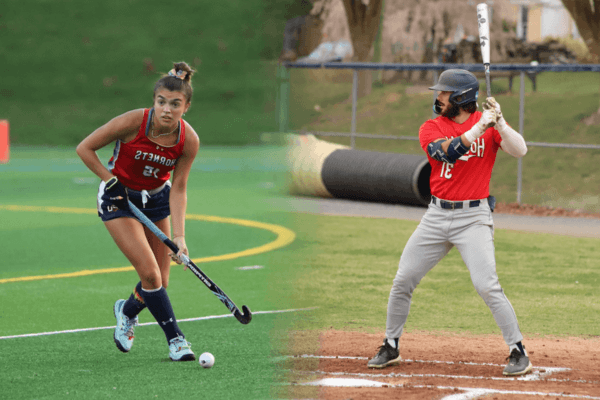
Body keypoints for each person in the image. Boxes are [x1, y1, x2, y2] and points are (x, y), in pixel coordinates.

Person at [367, 69, 532, 376]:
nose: (438, 97)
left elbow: (520, 150)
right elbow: (446, 154)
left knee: (487, 285)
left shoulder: (488, 125)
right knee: (403, 279)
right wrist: (478, 127)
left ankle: (518, 350)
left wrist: (500, 122)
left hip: (474, 218)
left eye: (444, 94)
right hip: (436, 216)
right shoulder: (431, 127)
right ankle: (391, 345)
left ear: (461, 98)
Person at [76, 62, 200, 361]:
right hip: (118, 199)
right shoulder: (133, 122)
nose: (166, 110)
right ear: (154, 101)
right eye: (161, 102)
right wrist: (111, 182)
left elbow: (179, 187)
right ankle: (177, 340)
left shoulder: (188, 140)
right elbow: (85, 148)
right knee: (149, 273)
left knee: (160, 281)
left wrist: (180, 238)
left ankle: (127, 310)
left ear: (186, 107)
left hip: (156, 199)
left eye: (175, 104)